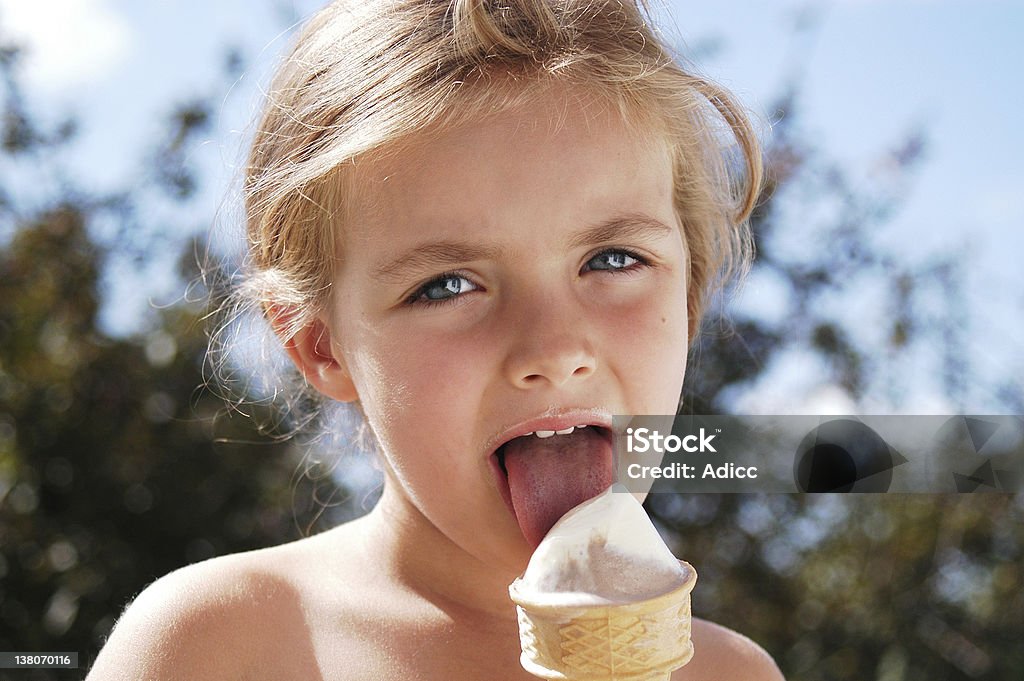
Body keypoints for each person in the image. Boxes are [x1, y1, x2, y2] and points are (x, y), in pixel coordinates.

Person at [88, 1, 782, 678]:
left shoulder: (729, 672)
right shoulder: (219, 645)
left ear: (690, 292)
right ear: (320, 344)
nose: (554, 349)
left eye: (612, 259)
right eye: (449, 284)